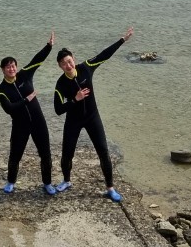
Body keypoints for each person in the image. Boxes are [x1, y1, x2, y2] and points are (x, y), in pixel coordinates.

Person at [52, 26, 134, 202]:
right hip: (73, 120)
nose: (68, 64)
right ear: (60, 66)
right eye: (64, 63)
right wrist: (75, 99)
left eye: (69, 60)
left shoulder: (86, 67)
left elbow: (104, 55)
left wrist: (122, 40)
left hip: (92, 117)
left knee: (103, 152)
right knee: (67, 154)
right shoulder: (61, 84)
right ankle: (66, 181)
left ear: (73, 58)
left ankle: (110, 188)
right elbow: (58, 109)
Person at [0, 30, 58, 196]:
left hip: (38, 122)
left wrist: (49, 46)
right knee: (15, 156)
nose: (12, 68)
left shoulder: (24, 75)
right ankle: (10, 182)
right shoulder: (2, 90)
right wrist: (27, 99)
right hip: (20, 126)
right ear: (3, 69)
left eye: (13, 65)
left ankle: (47, 183)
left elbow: (37, 60)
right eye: (8, 66)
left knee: (45, 154)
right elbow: (9, 109)